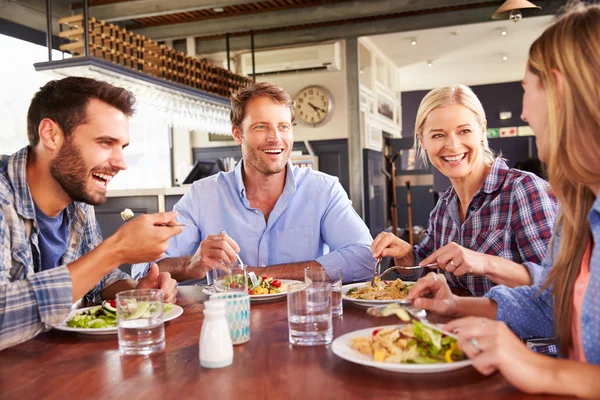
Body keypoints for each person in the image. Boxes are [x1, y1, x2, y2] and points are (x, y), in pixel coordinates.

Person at [406, 3, 600, 396]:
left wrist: (541, 370)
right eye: (438, 135)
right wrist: (456, 306)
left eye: (526, 90)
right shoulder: (580, 203)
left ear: (560, 90)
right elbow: (551, 305)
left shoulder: (529, 189)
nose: (525, 113)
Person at [0, 77, 182, 351]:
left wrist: (137, 292)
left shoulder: (77, 199)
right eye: (105, 142)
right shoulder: (4, 196)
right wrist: (116, 250)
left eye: (122, 147)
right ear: (51, 135)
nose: (120, 163)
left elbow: (98, 279)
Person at [132, 82, 374, 283]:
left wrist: (260, 275)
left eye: (283, 127)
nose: (276, 138)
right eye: (261, 127)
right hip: (228, 327)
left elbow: (364, 258)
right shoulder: (203, 195)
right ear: (238, 134)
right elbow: (144, 268)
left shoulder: (323, 190)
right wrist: (190, 263)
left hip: (304, 322)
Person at [371, 84, 558, 296]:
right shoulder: (443, 206)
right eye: (438, 135)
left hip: (511, 330)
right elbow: (423, 271)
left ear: (482, 131)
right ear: (422, 140)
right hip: (452, 327)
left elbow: (555, 285)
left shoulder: (524, 190)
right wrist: (405, 254)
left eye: (464, 131)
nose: (452, 145)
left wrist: (485, 263)